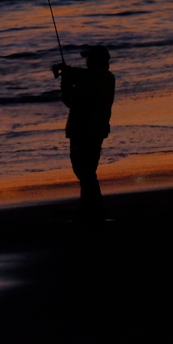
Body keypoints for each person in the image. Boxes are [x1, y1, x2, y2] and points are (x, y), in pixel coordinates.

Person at [53, 45, 115, 219]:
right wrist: (67, 70)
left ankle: (93, 209)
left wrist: (65, 79)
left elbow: (70, 99)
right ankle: (91, 207)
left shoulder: (93, 79)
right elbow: (84, 75)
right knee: (87, 170)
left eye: (88, 58)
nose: (86, 61)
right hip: (95, 130)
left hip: (83, 130)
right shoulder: (106, 77)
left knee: (83, 170)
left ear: (94, 61)